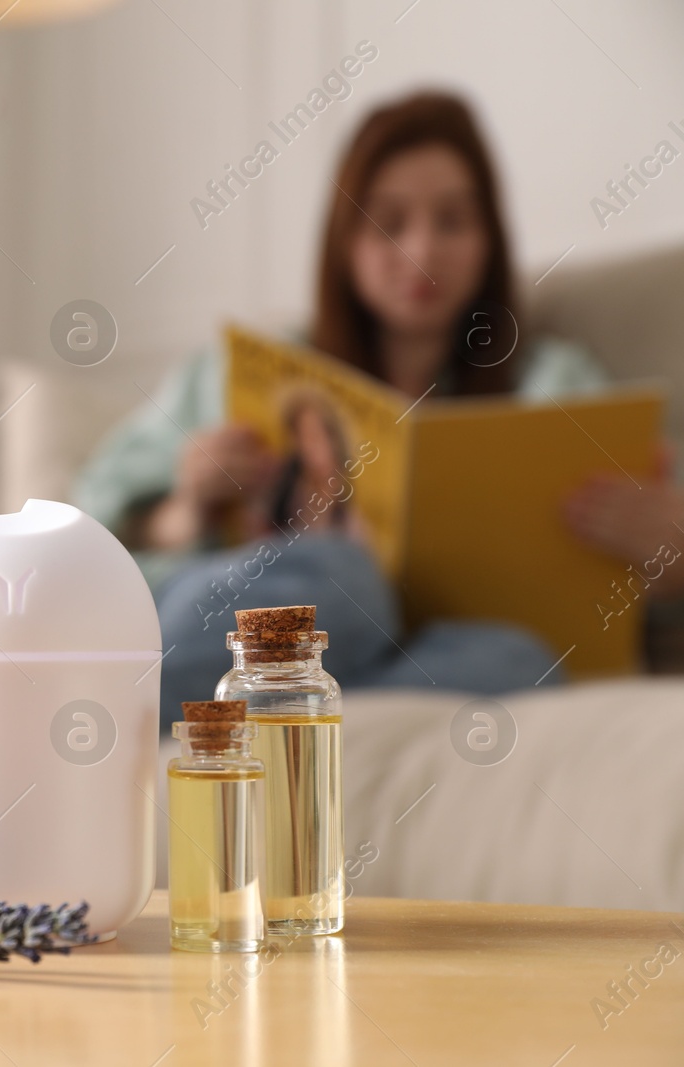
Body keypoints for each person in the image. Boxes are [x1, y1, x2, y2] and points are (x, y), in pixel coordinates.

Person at [75, 91, 627, 729]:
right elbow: (94, 528)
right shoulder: (240, 371)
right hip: (242, 619)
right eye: (390, 223)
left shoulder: (554, 384)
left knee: (523, 662)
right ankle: (117, 710)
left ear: (489, 239)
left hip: (422, 650)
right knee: (343, 579)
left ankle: (281, 719)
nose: (421, 251)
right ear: (346, 240)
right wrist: (183, 508)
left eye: (452, 221)